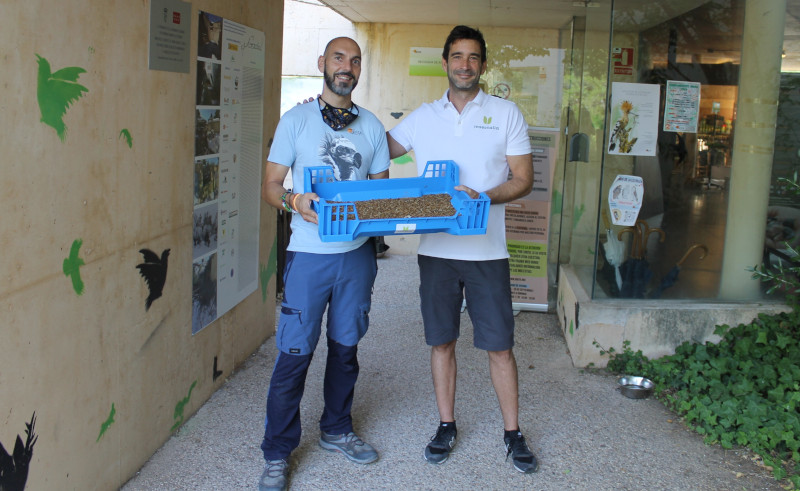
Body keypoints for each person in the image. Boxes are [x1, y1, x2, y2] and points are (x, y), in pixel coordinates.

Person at [386, 25, 538, 474]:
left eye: (473, 57)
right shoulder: (423, 116)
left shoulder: (506, 113)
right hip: (435, 251)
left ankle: (513, 433)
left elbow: (523, 178)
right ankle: (446, 424)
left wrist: (484, 198)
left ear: (483, 65)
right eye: (457, 56)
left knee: (500, 347)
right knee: (441, 342)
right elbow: (377, 151)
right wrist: (324, 118)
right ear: (446, 62)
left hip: (488, 252)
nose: (464, 65)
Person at [258, 36, 390, 491]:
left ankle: (336, 429)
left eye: (354, 60)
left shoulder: (371, 127)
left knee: (346, 349)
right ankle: (277, 452)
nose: (346, 67)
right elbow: (271, 185)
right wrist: (295, 198)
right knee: (294, 353)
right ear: (322, 64)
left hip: (356, 259)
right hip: (308, 256)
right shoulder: (295, 121)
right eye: (339, 58)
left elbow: (381, 192)